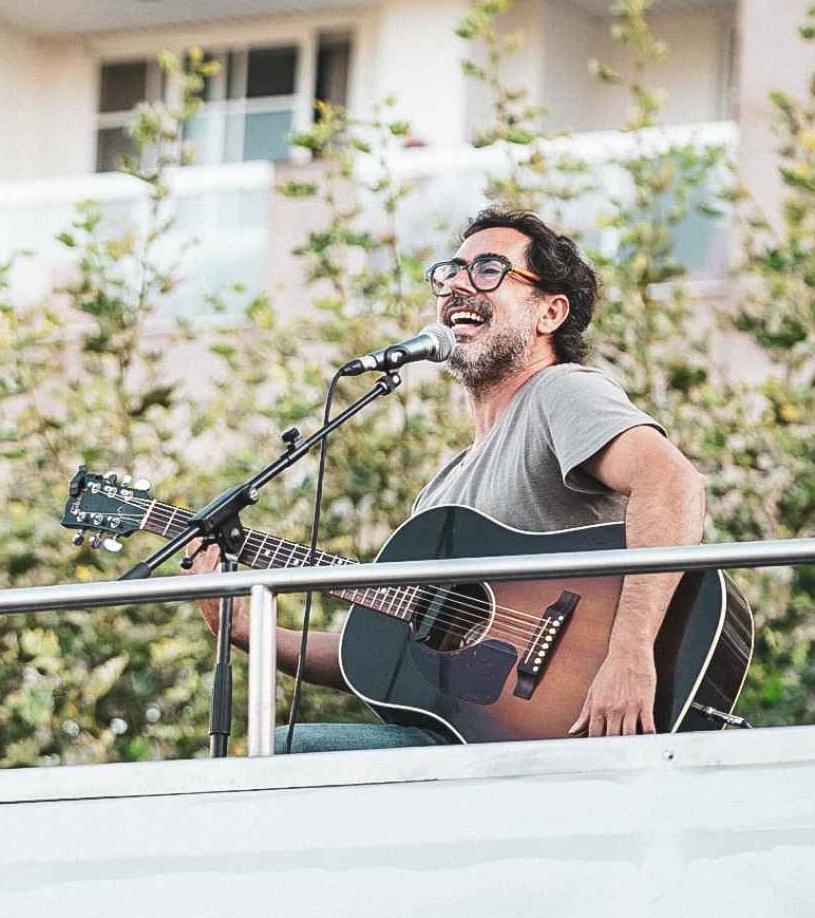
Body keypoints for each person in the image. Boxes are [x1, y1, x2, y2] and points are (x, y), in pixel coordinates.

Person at [189, 207, 708, 749]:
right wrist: (250, 630)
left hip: (580, 723)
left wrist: (629, 655)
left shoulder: (561, 393)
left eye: (488, 270)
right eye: (449, 272)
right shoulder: (441, 494)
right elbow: (395, 670)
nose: (458, 284)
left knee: (294, 749)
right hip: (479, 738)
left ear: (550, 312)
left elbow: (673, 485)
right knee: (292, 745)